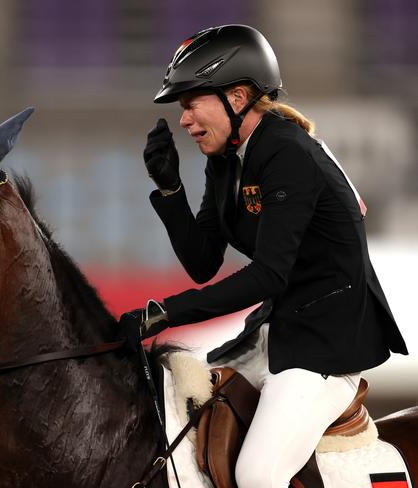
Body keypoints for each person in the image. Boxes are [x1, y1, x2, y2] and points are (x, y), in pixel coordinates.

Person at [119, 24, 408, 488]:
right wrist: (171, 189)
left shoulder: (286, 152)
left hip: (326, 349)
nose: (184, 120)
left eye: (191, 103)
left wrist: (165, 313)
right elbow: (203, 261)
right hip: (280, 331)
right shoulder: (227, 160)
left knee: (257, 475)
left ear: (236, 98)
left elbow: (269, 275)